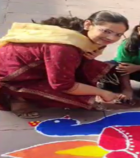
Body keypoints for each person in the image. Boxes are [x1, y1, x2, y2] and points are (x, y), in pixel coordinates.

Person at [0, 10, 130, 119]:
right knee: (81, 98)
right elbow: (63, 85)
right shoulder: (64, 47)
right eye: (106, 31)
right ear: (88, 24)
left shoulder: (79, 37)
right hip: (8, 76)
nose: (111, 38)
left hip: (30, 68)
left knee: (91, 67)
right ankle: (15, 95)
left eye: (118, 35)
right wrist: (102, 93)